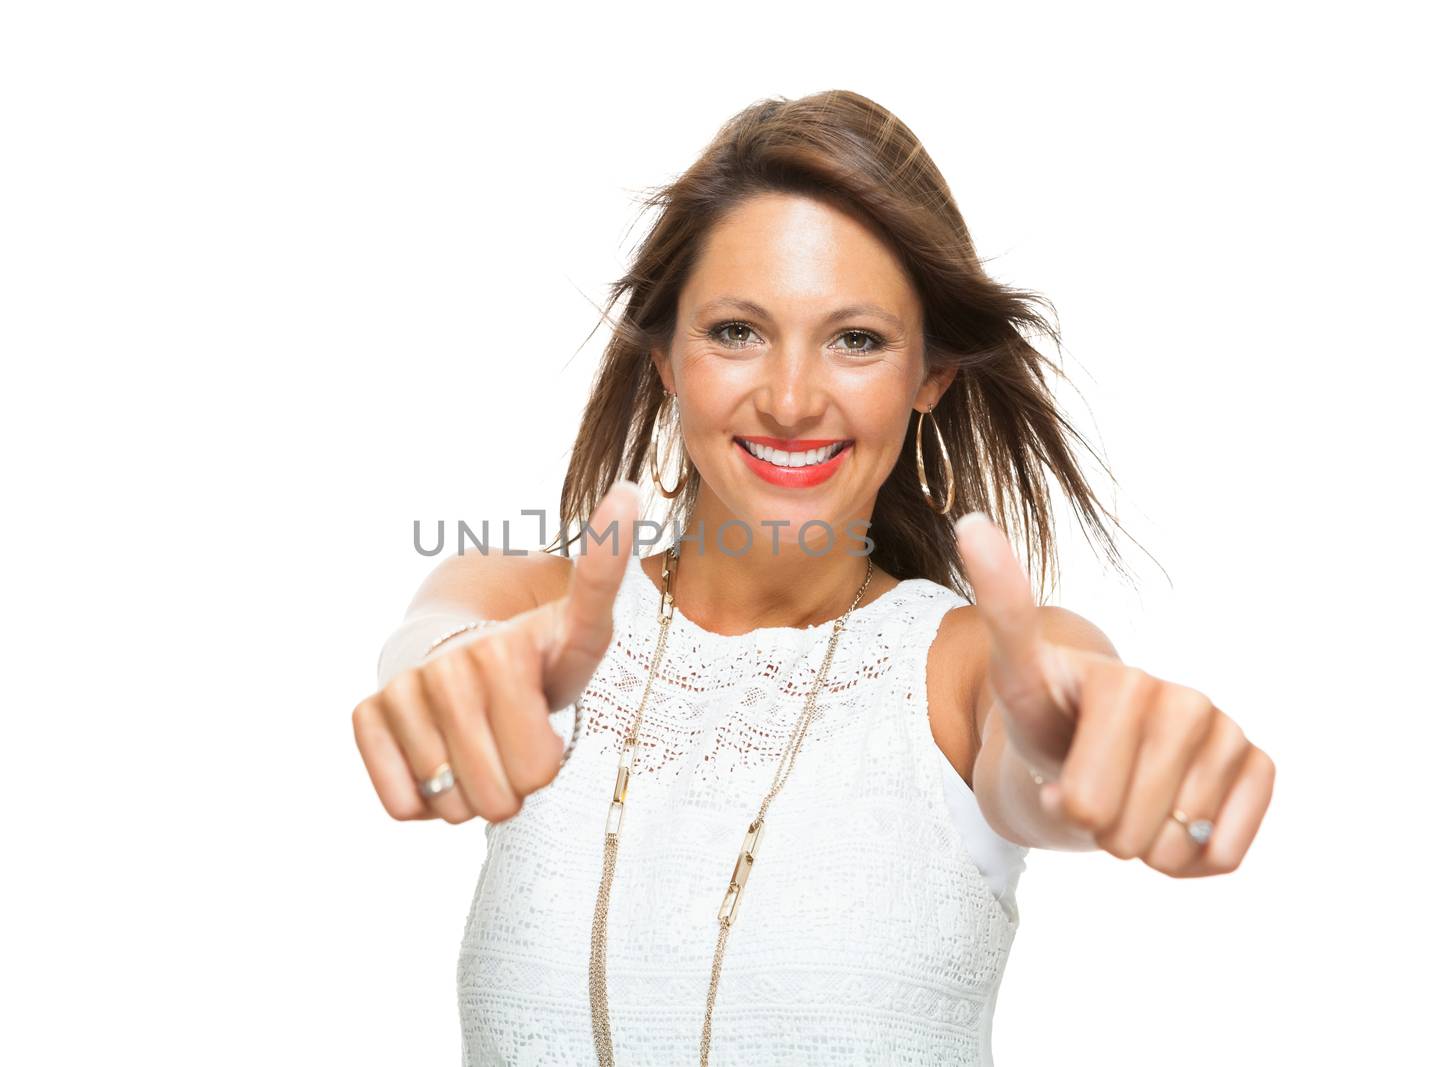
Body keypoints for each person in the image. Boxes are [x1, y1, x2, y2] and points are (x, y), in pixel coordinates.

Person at [353, 90, 1275, 1066]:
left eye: (857, 339)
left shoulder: (968, 668)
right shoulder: (523, 608)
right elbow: (435, 639)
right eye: (737, 331)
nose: (791, 399)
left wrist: (1091, 754)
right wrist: (449, 680)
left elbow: (1043, 739)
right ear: (665, 355)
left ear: (929, 374)